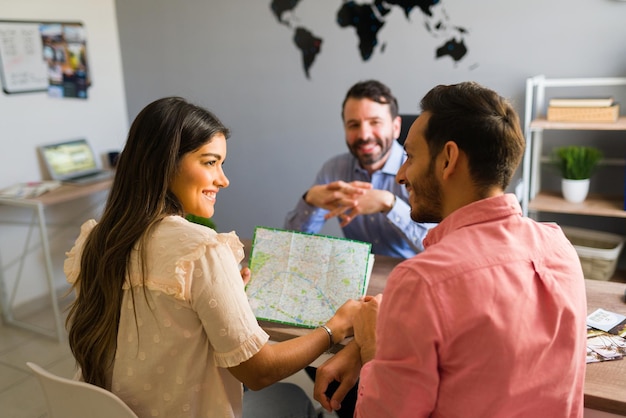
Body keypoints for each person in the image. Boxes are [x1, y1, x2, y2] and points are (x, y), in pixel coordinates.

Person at [64, 96, 362, 418]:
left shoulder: (95, 241)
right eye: (210, 162)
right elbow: (259, 372)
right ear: (164, 163)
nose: (223, 179)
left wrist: (227, 293)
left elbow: (163, 329)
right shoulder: (202, 248)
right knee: (288, 397)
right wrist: (336, 326)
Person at [313, 81, 587, 417]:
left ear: (448, 160)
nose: (400, 175)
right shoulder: (560, 248)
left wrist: (371, 346)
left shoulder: (422, 281)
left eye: (410, 157)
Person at [284, 79, 435, 259]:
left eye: (375, 122)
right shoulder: (334, 170)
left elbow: (437, 247)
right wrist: (309, 202)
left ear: (396, 127)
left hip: (410, 276)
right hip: (359, 276)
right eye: (354, 125)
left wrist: (390, 204)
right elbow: (290, 244)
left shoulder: (421, 169)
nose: (364, 135)